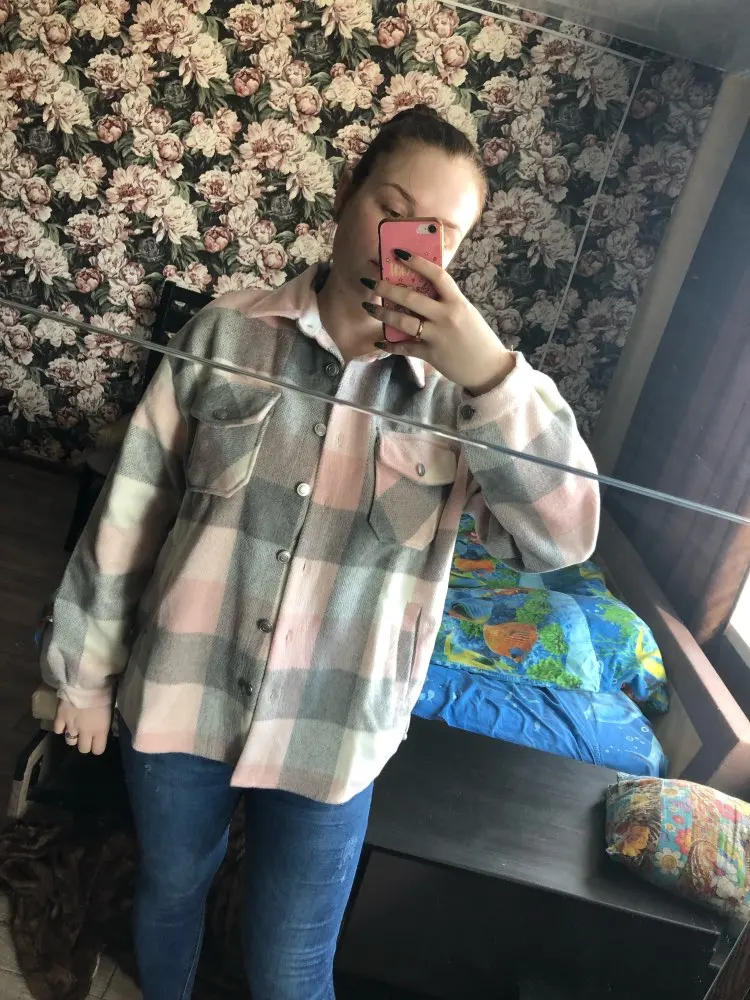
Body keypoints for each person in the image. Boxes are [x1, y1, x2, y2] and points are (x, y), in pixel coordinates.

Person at [44, 106, 600, 1000]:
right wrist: (84, 675)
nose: (407, 246)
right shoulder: (224, 332)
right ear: (347, 193)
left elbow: (563, 540)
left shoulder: (467, 398)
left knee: (293, 968)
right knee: (170, 892)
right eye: (394, 208)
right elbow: (133, 508)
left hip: (336, 733)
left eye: (441, 233)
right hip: (180, 696)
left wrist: (494, 375)